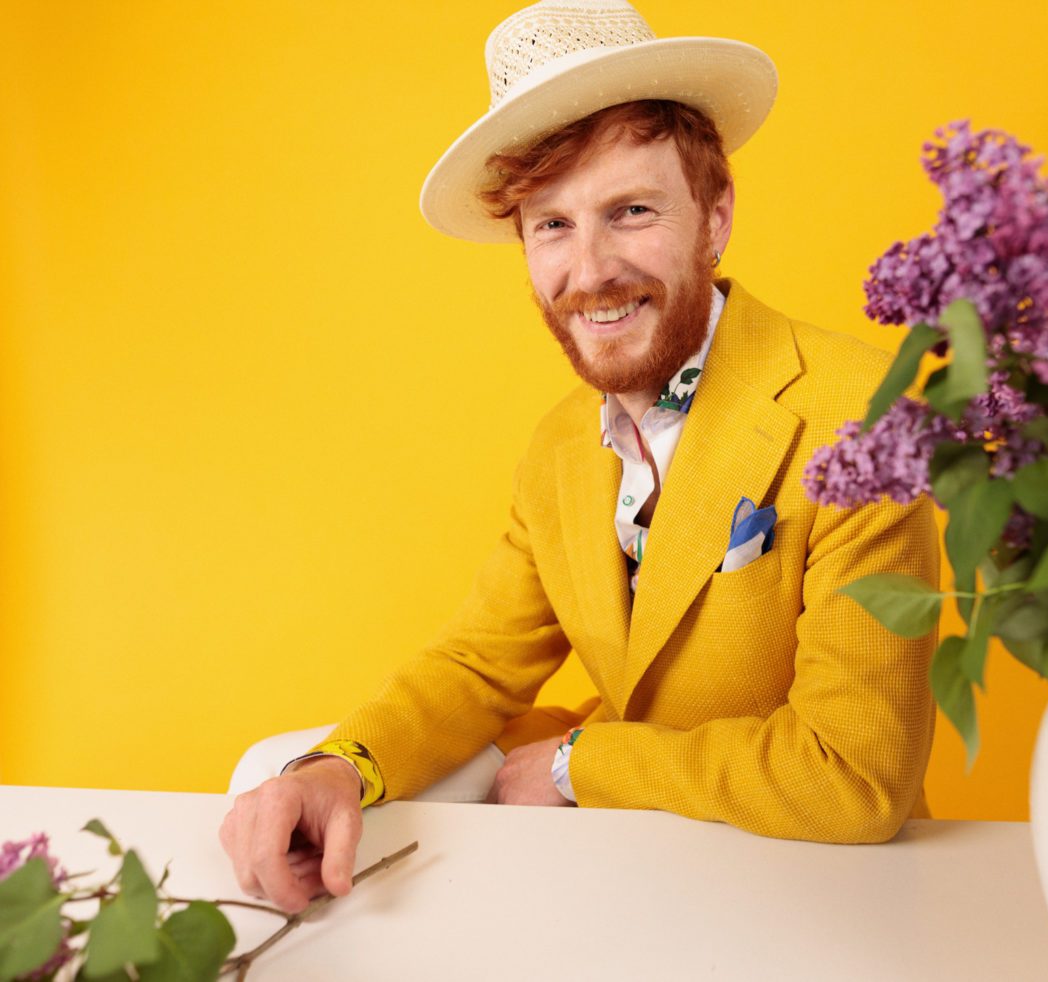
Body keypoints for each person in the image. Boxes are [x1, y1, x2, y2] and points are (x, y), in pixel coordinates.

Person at [220, 0, 937, 913]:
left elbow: (854, 774)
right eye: (551, 225)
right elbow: (478, 666)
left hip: (822, 891)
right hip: (627, 876)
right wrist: (338, 768)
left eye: (630, 210)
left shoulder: (862, 413)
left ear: (715, 217)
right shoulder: (560, 445)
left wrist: (577, 763)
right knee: (280, 772)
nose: (590, 270)